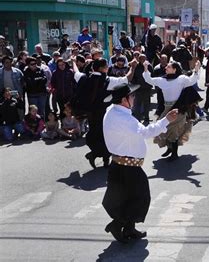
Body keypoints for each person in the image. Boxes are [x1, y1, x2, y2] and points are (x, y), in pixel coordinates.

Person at [101, 83, 178, 243]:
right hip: (128, 167)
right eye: (131, 96)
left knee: (128, 198)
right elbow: (146, 132)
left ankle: (129, 229)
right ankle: (118, 225)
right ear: (124, 100)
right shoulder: (124, 119)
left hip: (120, 165)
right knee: (141, 198)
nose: (134, 98)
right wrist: (165, 120)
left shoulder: (112, 111)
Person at [73, 58, 138, 169]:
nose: (108, 68)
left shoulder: (84, 78)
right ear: (103, 68)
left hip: (90, 113)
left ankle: (96, 155)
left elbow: (76, 72)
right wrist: (133, 67)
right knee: (107, 135)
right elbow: (127, 79)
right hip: (104, 113)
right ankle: (104, 160)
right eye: (106, 66)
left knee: (95, 133)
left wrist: (73, 62)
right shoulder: (108, 81)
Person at [142, 60, 202, 161]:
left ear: (174, 69)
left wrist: (196, 69)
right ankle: (170, 148)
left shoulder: (181, 79)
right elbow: (149, 80)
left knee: (173, 130)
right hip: (166, 108)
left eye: (168, 67)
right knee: (162, 127)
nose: (166, 68)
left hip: (178, 108)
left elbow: (192, 80)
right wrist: (145, 68)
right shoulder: (162, 80)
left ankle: (174, 154)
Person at [131, 54, 153, 125]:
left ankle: (146, 118)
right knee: (137, 105)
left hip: (147, 89)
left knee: (147, 104)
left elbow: (152, 76)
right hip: (138, 89)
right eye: (141, 59)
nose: (143, 60)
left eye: (144, 59)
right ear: (139, 59)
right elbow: (133, 77)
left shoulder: (149, 66)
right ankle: (138, 119)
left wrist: (150, 85)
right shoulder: (136, 67)